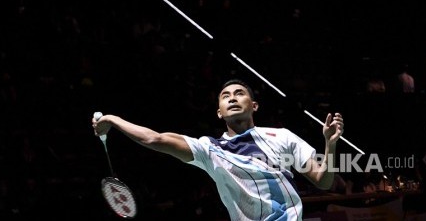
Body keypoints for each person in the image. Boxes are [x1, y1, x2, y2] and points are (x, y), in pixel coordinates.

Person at [92, 79, 344, 220]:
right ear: (219, 111)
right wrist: (113, 120)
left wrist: (330, 145)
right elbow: (155, 139)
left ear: (254, 105)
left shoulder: (281, 136)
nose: (232, 98)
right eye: (226, 96)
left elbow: (323, 181)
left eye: (239, 93)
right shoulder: (208, 149)